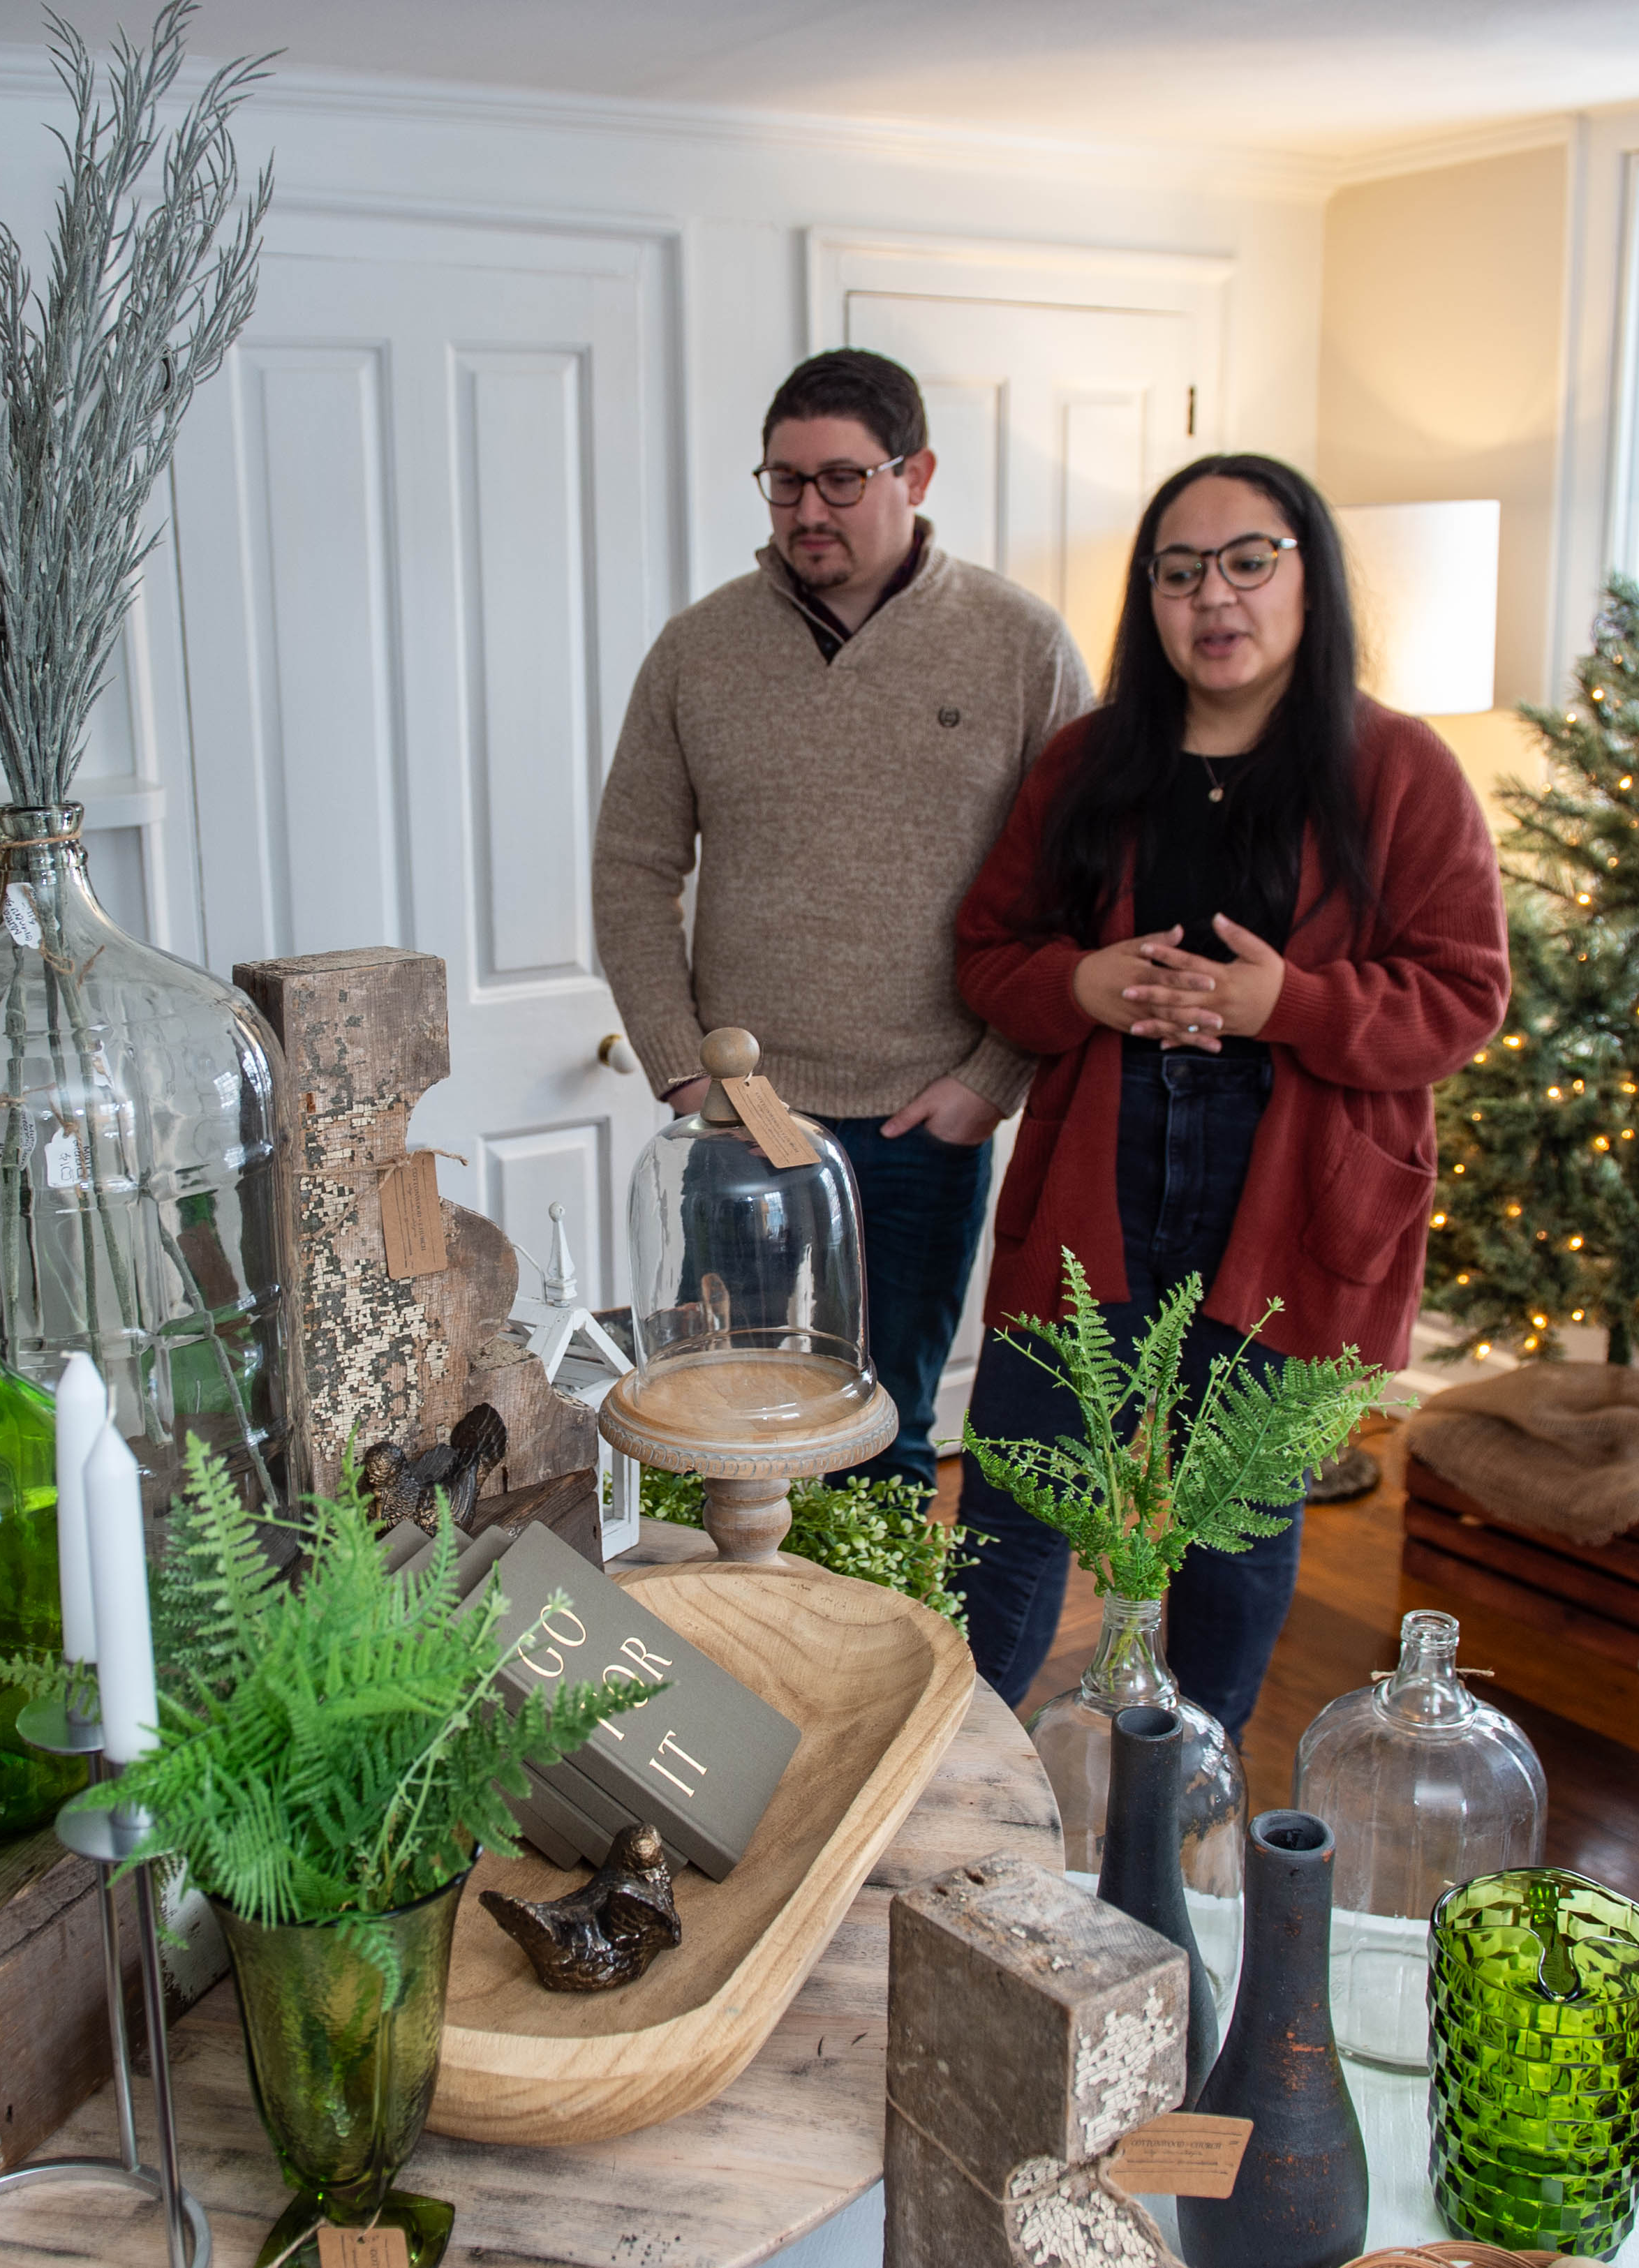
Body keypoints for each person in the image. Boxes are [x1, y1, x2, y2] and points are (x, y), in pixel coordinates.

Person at [948, 453, 1508, 1734]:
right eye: (1181, 569)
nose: (1217, 597)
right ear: (1150, 595)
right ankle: (962, 1785)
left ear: (1308, 576)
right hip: (1103, 1177)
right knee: (1018, 1503)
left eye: (1250, 560)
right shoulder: (1091, 764)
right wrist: (1081, 982)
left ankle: (1184, 1802)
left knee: (1236, 1531)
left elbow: (1464, 993)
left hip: (1290, 1193)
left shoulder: (1400, 771)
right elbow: (989, 952)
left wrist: (1289, 1005)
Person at [593, 350, 1094, 1490]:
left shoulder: (1022, 646)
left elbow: (1080, 887)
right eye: (783, 482)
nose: (808, 510)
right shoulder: (698, 649)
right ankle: (744, 1663)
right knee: (727, 1428)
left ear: (916, 472)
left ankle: (867, 1663)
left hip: (928, 1121)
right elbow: (632, 868)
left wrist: (991, 1082)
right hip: (739, 1126)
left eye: (841, 480)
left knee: (887, 1432)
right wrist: (683, 1075)